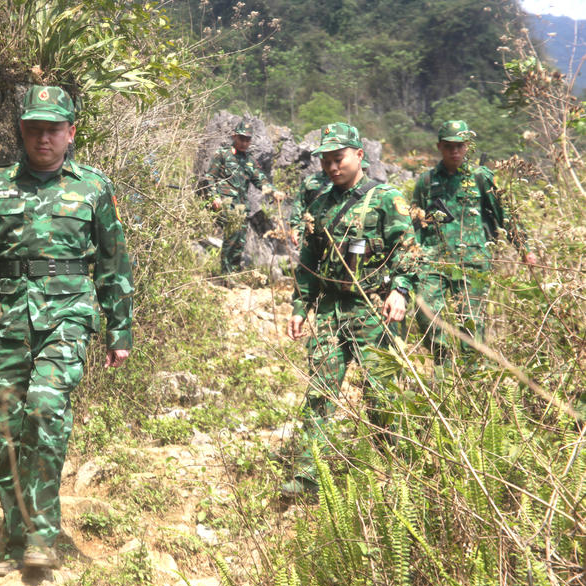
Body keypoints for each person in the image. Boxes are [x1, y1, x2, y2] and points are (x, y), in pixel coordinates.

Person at [0, 85, 133, 574]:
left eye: (53, 129)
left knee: (45, 410)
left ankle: (42, 535)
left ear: (71, 133)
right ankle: (16, 538)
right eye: (33, 128)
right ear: (21, 131)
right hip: (8, 319)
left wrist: (119, 328)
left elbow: (113, 261)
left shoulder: (93, 188)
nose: (43, 138)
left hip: (67, 316)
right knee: (8, 430)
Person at [284, 123, 421, 497]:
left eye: (338, 158)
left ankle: (397, 472)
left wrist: (400, 291)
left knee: (381, 393)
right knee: (320, 390)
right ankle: (308, 476)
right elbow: (310, 260)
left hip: (372, 309)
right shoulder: (319, 204)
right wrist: (301, 306)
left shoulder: (386, 198)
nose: (332, 167)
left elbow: (408, 249)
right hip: (330, 308)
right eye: (326, 160)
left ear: (359, 155)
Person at [411, 120, 536, 364]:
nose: (454, 152)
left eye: (460, 146)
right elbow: (416, 223)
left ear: (467, 146)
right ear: (439, 147)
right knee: (425, 313)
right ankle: (445, 368)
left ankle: (472, 378)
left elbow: (505, 214)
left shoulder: (480, 177)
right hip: (434, 261)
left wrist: (524, 250)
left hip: (473, 261)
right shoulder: (426, 181)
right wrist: (412, 256)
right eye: (449, 146)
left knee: (471, 325)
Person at [204, 120, 286, 275]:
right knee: (232, 238)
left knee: (240, 241)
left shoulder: (249, 161)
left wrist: (273, 192)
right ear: (234, 136)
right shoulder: (222, 154)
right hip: (226, 204)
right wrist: (215, 197)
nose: (244, 143)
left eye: (248, 140)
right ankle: (226, 275)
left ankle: (234, 273)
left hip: (241, 207)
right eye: (242, 138)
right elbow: (210, 177)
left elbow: (260, 180)